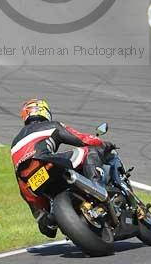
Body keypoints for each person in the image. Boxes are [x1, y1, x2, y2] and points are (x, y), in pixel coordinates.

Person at [11, 98, 113, 238]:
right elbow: (81, 139)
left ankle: (48, 219)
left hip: (26, 179)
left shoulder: (14, 142)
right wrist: (101, 143)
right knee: (91, 150)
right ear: (45, 112)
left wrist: (40, 215)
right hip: (46, 162)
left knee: (43, 222)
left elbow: (18, 172)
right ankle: (97, 187)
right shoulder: (51, 125)